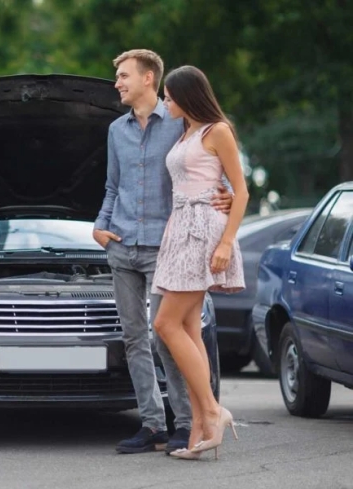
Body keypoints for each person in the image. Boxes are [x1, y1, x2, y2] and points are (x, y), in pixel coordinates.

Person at [93, 49, 233, 455]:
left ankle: (187, 419)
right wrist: (101, 226)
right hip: (121, 245)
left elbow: (208, 166)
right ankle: (152, 424)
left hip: (167, 246)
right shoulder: (115, 130)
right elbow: (112, 187)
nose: (117, 82)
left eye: (123, 76)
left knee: (166, 336)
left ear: (149, 78)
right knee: (134, 337)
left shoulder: (178, 123)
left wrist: (221, 197)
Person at [151, 65, 247, 460]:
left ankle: (213, 410)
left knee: (165, 324)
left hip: (203, 231)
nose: (166, 102)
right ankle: (199, 430)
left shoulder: (217, 130)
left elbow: (240, 193)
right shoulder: (184, 132)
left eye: (170, 96)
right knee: (188, 327)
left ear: (188, 96)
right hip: (178, 229)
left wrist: (226, 242)